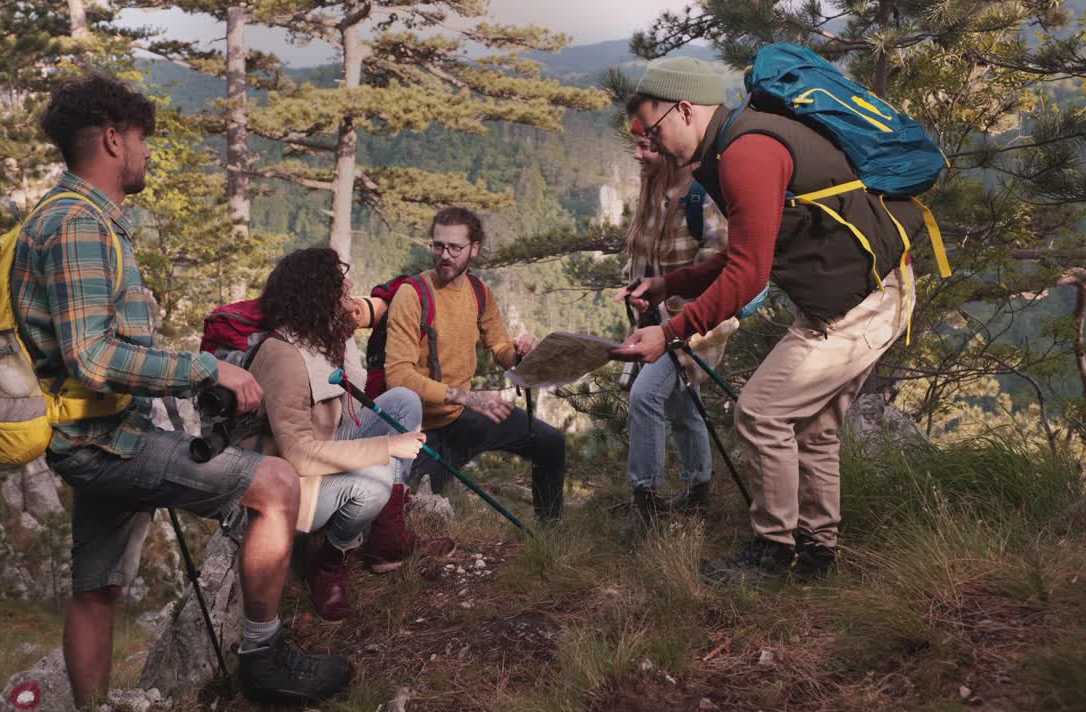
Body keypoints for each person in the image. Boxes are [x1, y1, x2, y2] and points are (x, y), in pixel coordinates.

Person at [16, 75, 351, 707]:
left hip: (95, 434)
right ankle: (264, 659)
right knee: (277, 484)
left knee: (95, 588)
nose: (146, 154)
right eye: (141, 140)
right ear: (113, 140)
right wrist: (206, 369)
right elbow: (92, 356)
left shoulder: (75, 218)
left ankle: (93, 711)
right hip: (107, 442)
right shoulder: (79, 226)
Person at [612, 57, 921, 584]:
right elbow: (748, 253)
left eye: (651, 128)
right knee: (816, 428)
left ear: (685, 110)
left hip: (858, 306)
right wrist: (670, 285)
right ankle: (818, 554)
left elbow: (748, 275)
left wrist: (667, 334)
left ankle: (773, 552)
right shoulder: (744, 143)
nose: (649, 141)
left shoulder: (745, 153)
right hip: (869, 295)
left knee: (760, 413)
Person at [245, 248, 451, 622]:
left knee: (403, 400)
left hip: (327, 448)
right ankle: (328, 562)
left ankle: (386, 539)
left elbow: (371, 317)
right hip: (294, 484)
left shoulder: (321, 338)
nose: (351, 289)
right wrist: (386, 447)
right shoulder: (284, 357)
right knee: (373, 480)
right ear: (318, 296)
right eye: (341, 287)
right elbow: (299, 455)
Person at [385, 207, 566, 522]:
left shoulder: (479, 292)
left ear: (474, 249)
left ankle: (550, 535)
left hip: (462, 417)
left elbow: (500, 347)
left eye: (455, 248)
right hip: (423, 428)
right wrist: (467, 397)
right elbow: (398, 376)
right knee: (414, 516)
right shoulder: (412, 295)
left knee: (550, 442)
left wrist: (521, 353)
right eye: (438, 245)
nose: (445, 255)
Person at [619, 116, 738, 545]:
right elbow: (642, 257)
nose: (639, 156)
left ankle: (645, 501)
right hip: (658, 321)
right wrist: (637, 288)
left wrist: (672, 302)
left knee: (645, 396)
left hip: (698, 325)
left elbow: (724, 267)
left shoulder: (699, 195)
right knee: (684, 405)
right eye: (636, 147)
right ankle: (699, 489)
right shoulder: (652, 194)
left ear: (666, 149)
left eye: (647, 148)